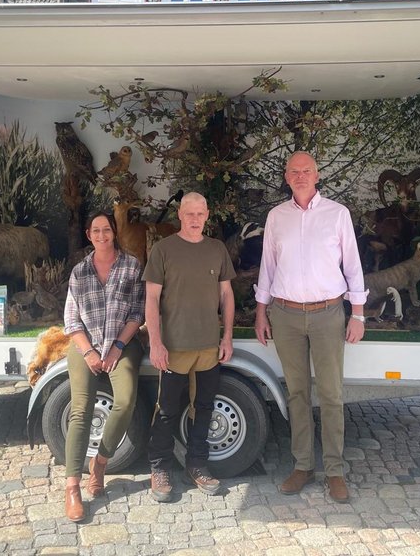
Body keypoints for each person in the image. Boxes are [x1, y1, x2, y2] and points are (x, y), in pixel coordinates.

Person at [254, 150, 367, 503]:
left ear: (317, 176)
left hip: (327, 314)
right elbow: (267, 267)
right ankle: (303, 466)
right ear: (286, 177)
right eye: (294, 171)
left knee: (331, 394)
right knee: (297, 393)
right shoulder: (276, 217)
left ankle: (334, 471)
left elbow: (352, 265)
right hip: (285, 315)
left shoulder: (337, 214)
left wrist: (358, 314)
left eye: (306, 170)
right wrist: (261, 312)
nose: (300, 176)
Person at [143, 192, 235, 502]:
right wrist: (156, 343)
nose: (195, 219)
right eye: (189, 214)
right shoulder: (163, 250)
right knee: (167, 410)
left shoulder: (216, 249)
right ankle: (160, 468)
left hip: (208, 346)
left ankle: (197, 465)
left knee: (204, 407)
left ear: (207, 215)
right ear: (180, 216)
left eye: (200, 213)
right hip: (174, 348)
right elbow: (151, 298)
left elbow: (227, 295)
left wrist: (227, 336)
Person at [62, 210, 145, 522]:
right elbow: (71, 319)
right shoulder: (79, 272)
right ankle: (72, 488)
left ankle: (100, 461)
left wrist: (117, 348)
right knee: (80, 410)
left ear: (114, 232)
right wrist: (88, 353)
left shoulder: (131, 266)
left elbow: (137, 313)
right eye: (95, 230)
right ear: (88, 235)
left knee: (125, 401)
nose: (101, 235)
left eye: (106, 229)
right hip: (85, 346)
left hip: (122, 344)